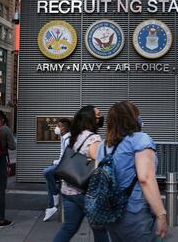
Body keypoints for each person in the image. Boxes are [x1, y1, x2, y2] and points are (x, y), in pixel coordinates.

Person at [96, 101, 167, 241]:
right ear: (132, 118)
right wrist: (161, 214)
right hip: (135, 213)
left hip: (110, 213)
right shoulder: (140, 139)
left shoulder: (103, 146)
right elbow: (145, 178)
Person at [53, 105, 109, 242]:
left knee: (69, 228)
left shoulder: (76, 135)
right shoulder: (93, 138)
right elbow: (98, 165)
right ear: (90, 118)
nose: (100, 117)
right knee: (100, 228)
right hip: (85, 193)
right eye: (98, 114)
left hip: (68, 190)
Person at [42, 118, 71, 222]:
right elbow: (61, 155)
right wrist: (55, 161)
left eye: (59, 126)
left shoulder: (68, 139)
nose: (56, 128)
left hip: (66, 167)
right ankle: (51, 207)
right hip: (62, 164)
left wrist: (56, 163)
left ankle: (55, 196)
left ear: (64, 128)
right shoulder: (63, 138)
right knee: (49, 181)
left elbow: (66, 158)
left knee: (46, 172)